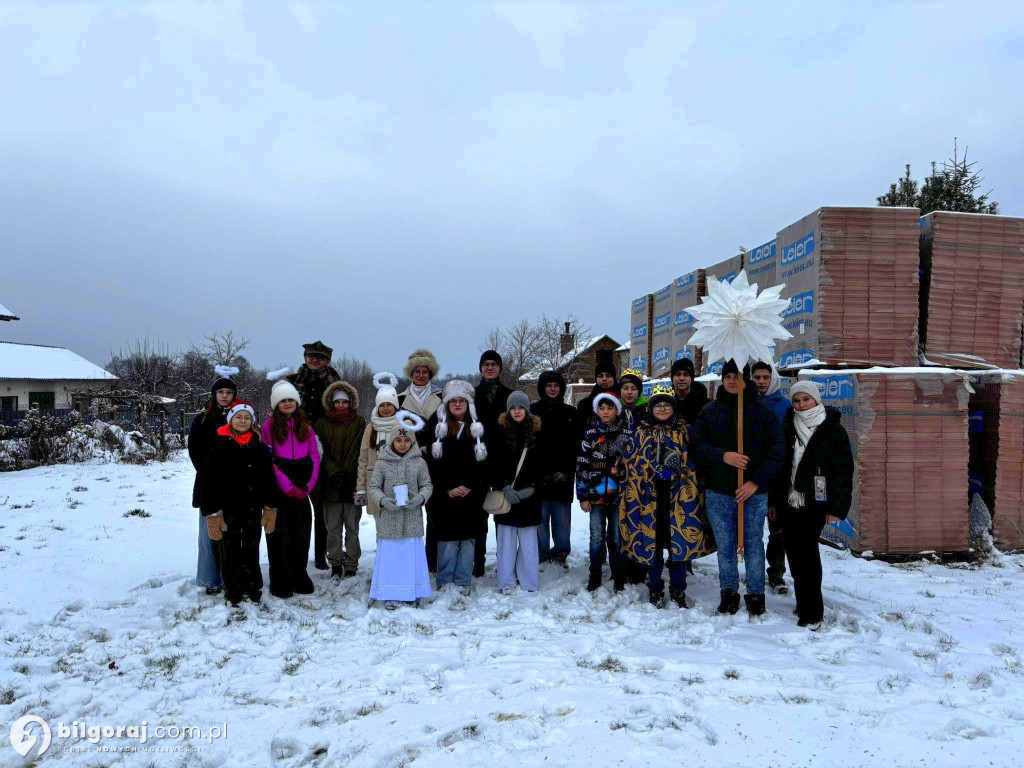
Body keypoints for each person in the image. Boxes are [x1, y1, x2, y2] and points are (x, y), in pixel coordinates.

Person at [693, 360, 784, 616]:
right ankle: (729, 592)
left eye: (738, 376)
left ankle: (756, 594)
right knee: (726, 544)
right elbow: (696, 446)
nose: (733, 380)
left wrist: (756, 482)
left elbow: (777, 450)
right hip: (719, 491)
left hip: (754, 492)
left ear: (746, 379)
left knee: (754, 543)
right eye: (728, 375)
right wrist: (723, 456)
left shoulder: (762, 411)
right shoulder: (710, 411)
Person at [619, 386, 714, 608]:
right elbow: (630, 462)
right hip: (648, 499)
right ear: (651, 409)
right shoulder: (641, 432)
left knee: (677, 545)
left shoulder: (685, 431)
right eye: (658, 405)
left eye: (666, 405)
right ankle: (655, 588)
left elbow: (697, 461)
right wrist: (649, 470)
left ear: (673, 408)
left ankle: (678, 589)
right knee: (652, 543)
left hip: (679, 498)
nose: (662, 409)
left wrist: (679, 469)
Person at [771, 382, 853, 630]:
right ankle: (803, 601)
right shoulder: (787, 426)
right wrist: (774, 501)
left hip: (816, 502)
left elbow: (843, 472)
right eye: (796, 401)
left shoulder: (833, 430)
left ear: (816, 400)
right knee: (794, 554)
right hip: (788, 501)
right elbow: (778, 467)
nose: (801, 405)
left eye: (806, 399)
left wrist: (837, 508)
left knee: (807, 555)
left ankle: (812, 612)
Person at [201, 400, 276, 606]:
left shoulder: (259, 447)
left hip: (253, 508)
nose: (243, 421)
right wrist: (212, 512)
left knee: (251, 548)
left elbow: (268, 478)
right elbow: (209, 481)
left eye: (247, 417)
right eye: (238, 417)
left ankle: (252, 587)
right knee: (231, 549)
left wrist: (270, 506)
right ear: (230, 419)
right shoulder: (219, 445)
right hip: (229, 510)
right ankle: (233, 590)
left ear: (252, 421)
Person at [426, 380, 489, 594]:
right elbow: (432, 464)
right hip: (445, 494)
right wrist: (447, 488)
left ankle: (463, 581)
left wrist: (471, 486)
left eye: (462, 400)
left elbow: (485, 463)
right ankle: (444, 581)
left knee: (468, 539)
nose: (458, 404)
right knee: (447, 540)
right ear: (448, 403)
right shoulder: (437, 428)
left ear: (469, 404)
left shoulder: (478, 429)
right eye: (454, 400)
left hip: (472, 494)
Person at [261, 379, 321, 599]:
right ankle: (280, 578)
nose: (287, 403)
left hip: (302, 485)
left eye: (291, 400)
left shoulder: (306, 428)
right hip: (280, 487)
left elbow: (315, 457)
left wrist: (308, 485)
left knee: (301, 532)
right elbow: (269, 461)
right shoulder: (268, 428)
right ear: (276, 404)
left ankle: (299, 573)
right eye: (282, 400)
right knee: (279, 534)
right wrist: (287, 486)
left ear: (297, 403)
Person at [367, 416, 434, 609]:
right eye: (398, 440)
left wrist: (420, 498)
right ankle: (390, 592)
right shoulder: (383, 462)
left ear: (412, 441)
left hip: (411, 518)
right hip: (390, 518)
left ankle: (411, 591)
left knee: (409, 556)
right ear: (392, 441)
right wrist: (383, 500)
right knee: (392, 557)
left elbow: (427, 485)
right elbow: (374, 487)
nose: (402, 444)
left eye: (406, 440)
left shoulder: (419, 462)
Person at [286, 340, 341, 571]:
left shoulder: (336, 384)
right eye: (311, 356)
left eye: (319, 357)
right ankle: (294, 555)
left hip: (323, 450)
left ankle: (321, 555)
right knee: (294, 510)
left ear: (327, 361)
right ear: (305, 358)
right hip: (295, 451)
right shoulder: (292, 382)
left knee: (321, 510)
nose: (315, 360)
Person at [187, 366, 237, 595]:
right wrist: (210, 473)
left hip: (234, 484)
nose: (225, 396)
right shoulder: (203, 420)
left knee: (231, 534)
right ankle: (209, 579)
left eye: (229, 392)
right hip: (209, 484)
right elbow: (195, 451)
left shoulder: (240, 417)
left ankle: (230, 575)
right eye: (221, 392)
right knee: (210, 532)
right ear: (214, 395)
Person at [489, 391, 543, 594]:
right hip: (506, 495)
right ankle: (506, 581)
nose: (517, 411)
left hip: (530, 496)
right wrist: (504, 486)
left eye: (521, 407)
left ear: (527, 410)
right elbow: (492, 464)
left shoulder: (537, 433)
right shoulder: (498, 432)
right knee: (506, 540)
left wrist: (532, 488)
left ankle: (529, 580)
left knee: (529, 541)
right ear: (508, 410)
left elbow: (542, 465)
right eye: (514, 407)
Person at [576, 392, 629, 592]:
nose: (606, 412)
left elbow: (630, 464)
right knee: (596, 536)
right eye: (602, 408)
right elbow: (582, 466)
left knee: (616, 537)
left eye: (610, 408)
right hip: (595, 495)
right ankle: (595, 575)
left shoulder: (625, 434)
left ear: (617, 409)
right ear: (597, 410)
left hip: (618, 496)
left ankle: (618, 575)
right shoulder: (589, 434)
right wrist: (582, 496)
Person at [313, 381, 366, 580]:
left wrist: (349, 472)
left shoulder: (359, 422)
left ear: (350, 403)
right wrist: (334, 471)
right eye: (338, 402)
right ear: (331, 403)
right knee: (332, 528)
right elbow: (320, 450)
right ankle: (335, 562)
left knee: (352, 526)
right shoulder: (321, 424)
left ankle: (351, 563)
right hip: (330, 483)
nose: (341, 405)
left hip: (352, 481)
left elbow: (359, 448)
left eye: (345, 402)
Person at [397, 349, 443, 569]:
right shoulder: (399, 400)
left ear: (430, 374)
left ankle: (431, 560)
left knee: (434, 515)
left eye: (425, 371)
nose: (421, 375)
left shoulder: (441, 399)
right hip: (409, 462)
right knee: (409, 514)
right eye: (417, 371)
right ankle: (409, 560)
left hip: (435, 463)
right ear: (411, 373)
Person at [748, 360, 790, 595]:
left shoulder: (784, 407)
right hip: (749, 475)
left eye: (765, 377)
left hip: (776, 475)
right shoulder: (746, 404)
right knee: (750, 530)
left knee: (777, 530)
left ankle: (776, 573)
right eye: (757, 377)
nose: (761, 382)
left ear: (772, 379)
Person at [530, 370, 576, 567]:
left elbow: (574, 445)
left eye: (556, 385)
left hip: (563, 475)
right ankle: (541, 552)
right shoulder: (532, 411)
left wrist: (565, 470)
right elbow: (530, 445)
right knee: (540, 519)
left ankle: (560, 553)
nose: (552, 389)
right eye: (549, 385)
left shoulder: (570, 412)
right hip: (539, 475)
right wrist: (538, 473)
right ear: (542, 387)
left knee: (562, 520)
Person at [473, 350, 511, 576]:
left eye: (493, 364)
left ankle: (504, 563)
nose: (489, 368)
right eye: (485, 364)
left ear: (499, 368)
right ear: (480, 368)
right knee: (478, 517)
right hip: (477, 462)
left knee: (502, 513)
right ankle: (478, 562)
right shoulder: (472, 395)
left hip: (501, 461)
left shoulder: (509, 395)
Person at [355, 374, 402, 517]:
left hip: (399, 482)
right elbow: (363, 459)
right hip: (376, 482)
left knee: (399, 522)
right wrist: (361, 488)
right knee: (380, 526)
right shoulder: (371, 428)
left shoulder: (403, 426)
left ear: (395, 406)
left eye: (389, 404)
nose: (385, 408)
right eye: (382, 405)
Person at [575, 350, 618, 432]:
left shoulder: (622, 401)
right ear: (596, 378)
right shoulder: (585, 404)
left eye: (608, 375)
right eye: (600, 376)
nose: (604, 379)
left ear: (614, 378)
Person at [670, 358, 708, 427]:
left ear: (691, 378)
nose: (681, 378)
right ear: (672, 378)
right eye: (678, 374)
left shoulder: (705, 405)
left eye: (686, 374)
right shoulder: (666, 402)